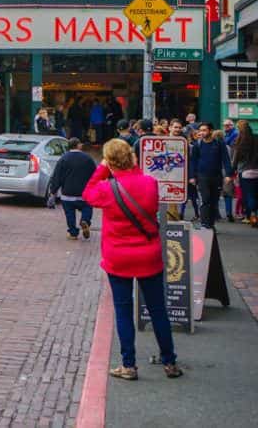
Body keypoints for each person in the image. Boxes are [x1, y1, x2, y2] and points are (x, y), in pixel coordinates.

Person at [83, 138, 182, 381]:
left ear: (110, 161)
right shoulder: (149, 183)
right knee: (158, 310)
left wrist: (103, 169)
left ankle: (129, 365)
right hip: (148, 255)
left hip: (119, 257)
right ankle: (169, 362)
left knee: (124, 310)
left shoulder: (107, 189)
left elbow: (88, 194)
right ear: (131, 156)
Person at [47, 138, 97, 240]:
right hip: (84, 193)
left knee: (70, 214)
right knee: (87, 208)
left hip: (67, 194)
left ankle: (73, 233)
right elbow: (95, 175)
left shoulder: (63, 159)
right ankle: (85, 221)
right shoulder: (87, 158)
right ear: (79, 145)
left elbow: (57, 176)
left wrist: (53, 192)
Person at [188, 122, 233, 229]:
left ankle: (211, 224)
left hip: (216, 176)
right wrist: (192, 176)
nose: (202, 133)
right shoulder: (197, 145)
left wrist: (228, 174)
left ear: (211, 131)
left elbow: (226, 159)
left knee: (214, 201)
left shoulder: (219, 144)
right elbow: (193, 161)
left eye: (204, 130)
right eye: (200, 130)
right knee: (205, 199)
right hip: (202, 176)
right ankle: (204, 224)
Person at [233, 120, 258, 227]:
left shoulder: (240, 140)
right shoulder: (256, 139)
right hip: (257, 170)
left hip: (245, 172)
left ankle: (251, 214)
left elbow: (236, 158)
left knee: (248, 195)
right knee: (255, 194)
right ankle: (253, 214)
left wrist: (231, 171)